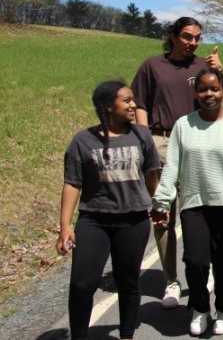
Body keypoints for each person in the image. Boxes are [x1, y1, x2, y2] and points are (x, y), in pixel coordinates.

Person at [151, 68, 223, 336]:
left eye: (214, 89)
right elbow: (172, 167)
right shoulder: (183, 126)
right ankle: (199, 308)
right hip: (194, 203)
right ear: (195, 93)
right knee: (195, 260)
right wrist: (161, 201)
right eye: (203, 89)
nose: (209, 94)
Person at [131, 16, 222, 308]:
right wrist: (145, 140)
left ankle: (202, 270)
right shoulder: (152, 65)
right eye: (186, 36)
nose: (192, 42)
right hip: (160, 143)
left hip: (195, 142)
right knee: (163, 214)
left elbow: (215, 99)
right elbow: (140, 103)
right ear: (173, 36)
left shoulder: (202, 67)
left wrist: (219, 71)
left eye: (197, 37)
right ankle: (171, 280)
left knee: (198, 210)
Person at [57, 81, 160, 340]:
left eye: (132, 99)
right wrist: (66, 226)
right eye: (126, 101)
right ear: (108, 107)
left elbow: (150, 174)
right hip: (94, 220)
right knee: (82, 284)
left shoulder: (141, 135)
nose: (133, 105)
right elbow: (72, 183)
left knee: (128, 283)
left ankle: (126, 335)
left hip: (134, 220)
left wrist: (159, 203)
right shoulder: (83, 140)